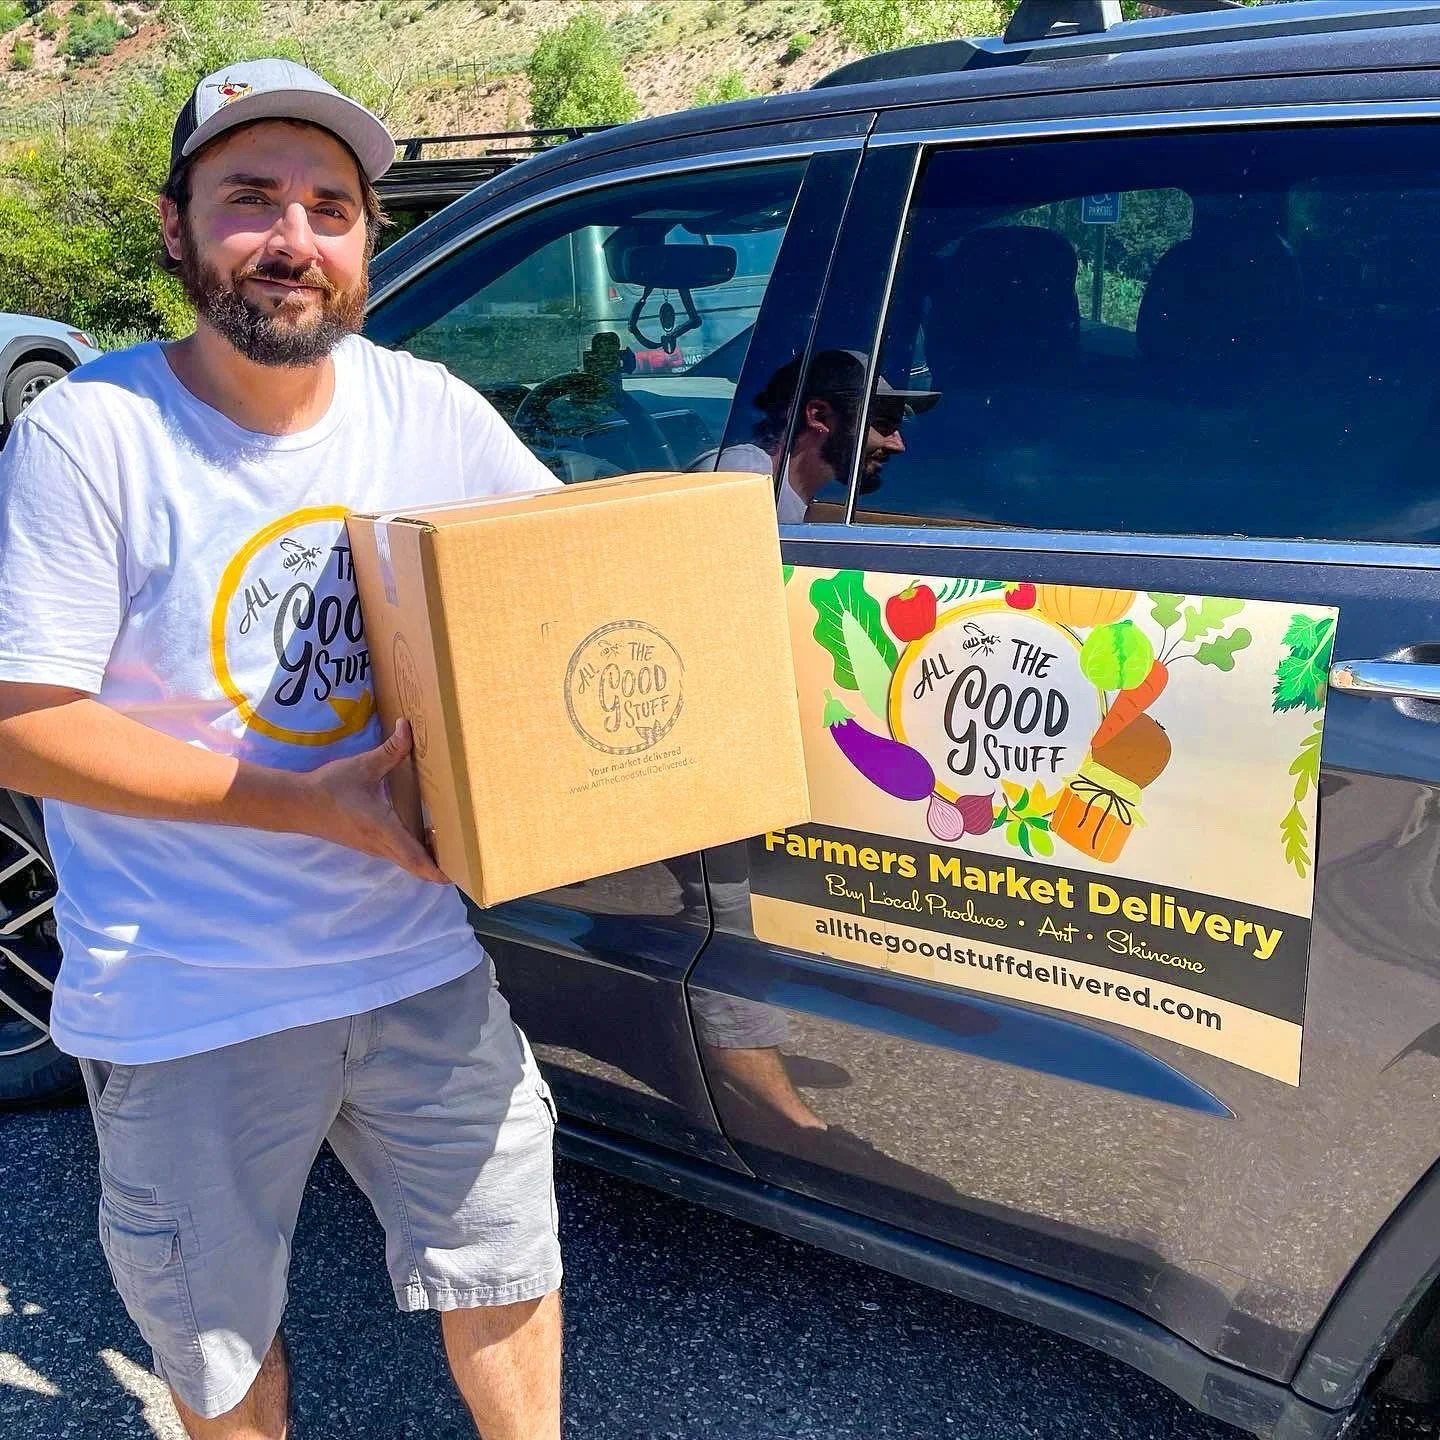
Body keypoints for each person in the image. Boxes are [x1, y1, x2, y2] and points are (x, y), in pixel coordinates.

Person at [0, 60, 563, 1440]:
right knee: (216, 1340)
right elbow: (25, 724)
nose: (294, 239)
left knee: (507, 1263)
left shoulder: (423, 408)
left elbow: (563, 584)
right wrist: (307, 805)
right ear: (176, 224)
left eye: (332, 207)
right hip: (189, 992)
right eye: (251, 197)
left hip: (415, 955)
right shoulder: (95, 435)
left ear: (368, 239)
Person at [701, 348, 938, 521]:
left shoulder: (790, 497)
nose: (898, 445)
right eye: (884, 425)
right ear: (819, 417)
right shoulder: (743, 475)